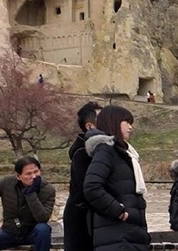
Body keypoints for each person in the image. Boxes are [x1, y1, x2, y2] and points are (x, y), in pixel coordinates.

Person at [83, 105, 151, 250]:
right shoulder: (106, 151)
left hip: (129, 235)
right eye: (126, 122)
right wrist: (119, 211)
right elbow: (92, 187)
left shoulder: (125, 154)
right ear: (113, 122)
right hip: (117, 236)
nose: (130, 127)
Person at [0, 156, 55, 251]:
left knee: (43, 229)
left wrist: (31, 194)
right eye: (28, 174)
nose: (34, 176)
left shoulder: (48, 190)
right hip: (10, 233)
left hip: (33, 235)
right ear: (18, 176)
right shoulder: (6, 183)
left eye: (36, 172)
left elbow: (43, 218)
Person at [63, 101, 102, 251]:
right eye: (102, 119)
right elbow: (87, 189)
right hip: (81, 219)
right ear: (90, 126)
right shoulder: (82, 153)